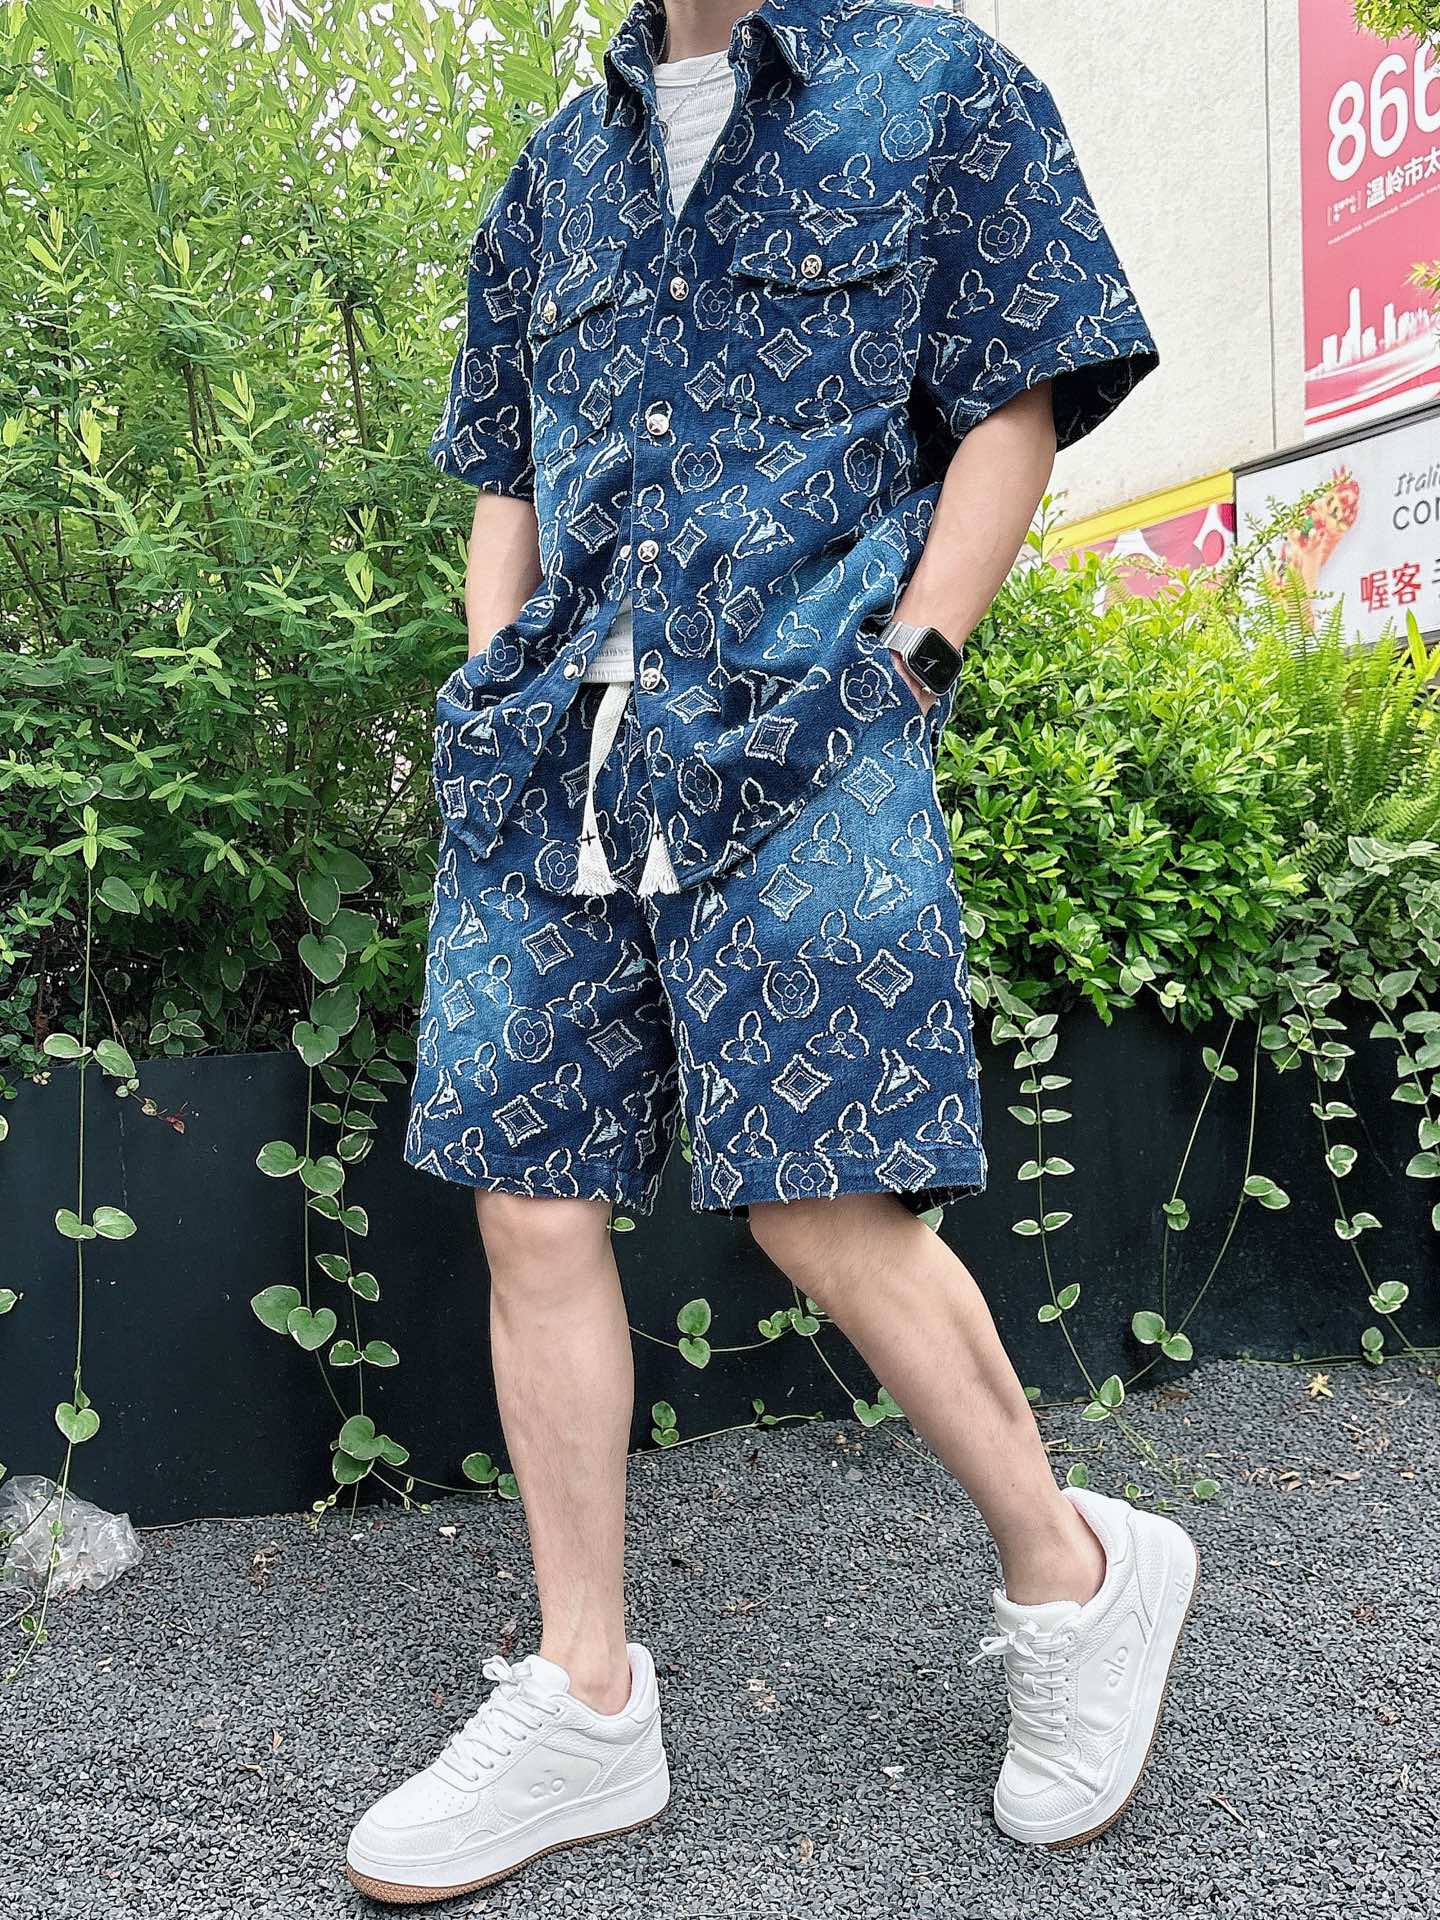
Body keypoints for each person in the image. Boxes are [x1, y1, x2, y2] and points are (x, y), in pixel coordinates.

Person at [346, 0, 1196, 1900]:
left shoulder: (938, 86)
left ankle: (1076, 1577)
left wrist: (915, 669)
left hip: (806, 714)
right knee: (526, 1200)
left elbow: (1015, 400)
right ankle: (586, 1699)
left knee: (825, 1196)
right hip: (558, 739)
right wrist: (488, 685)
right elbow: (506, 466)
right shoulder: (556, 175)